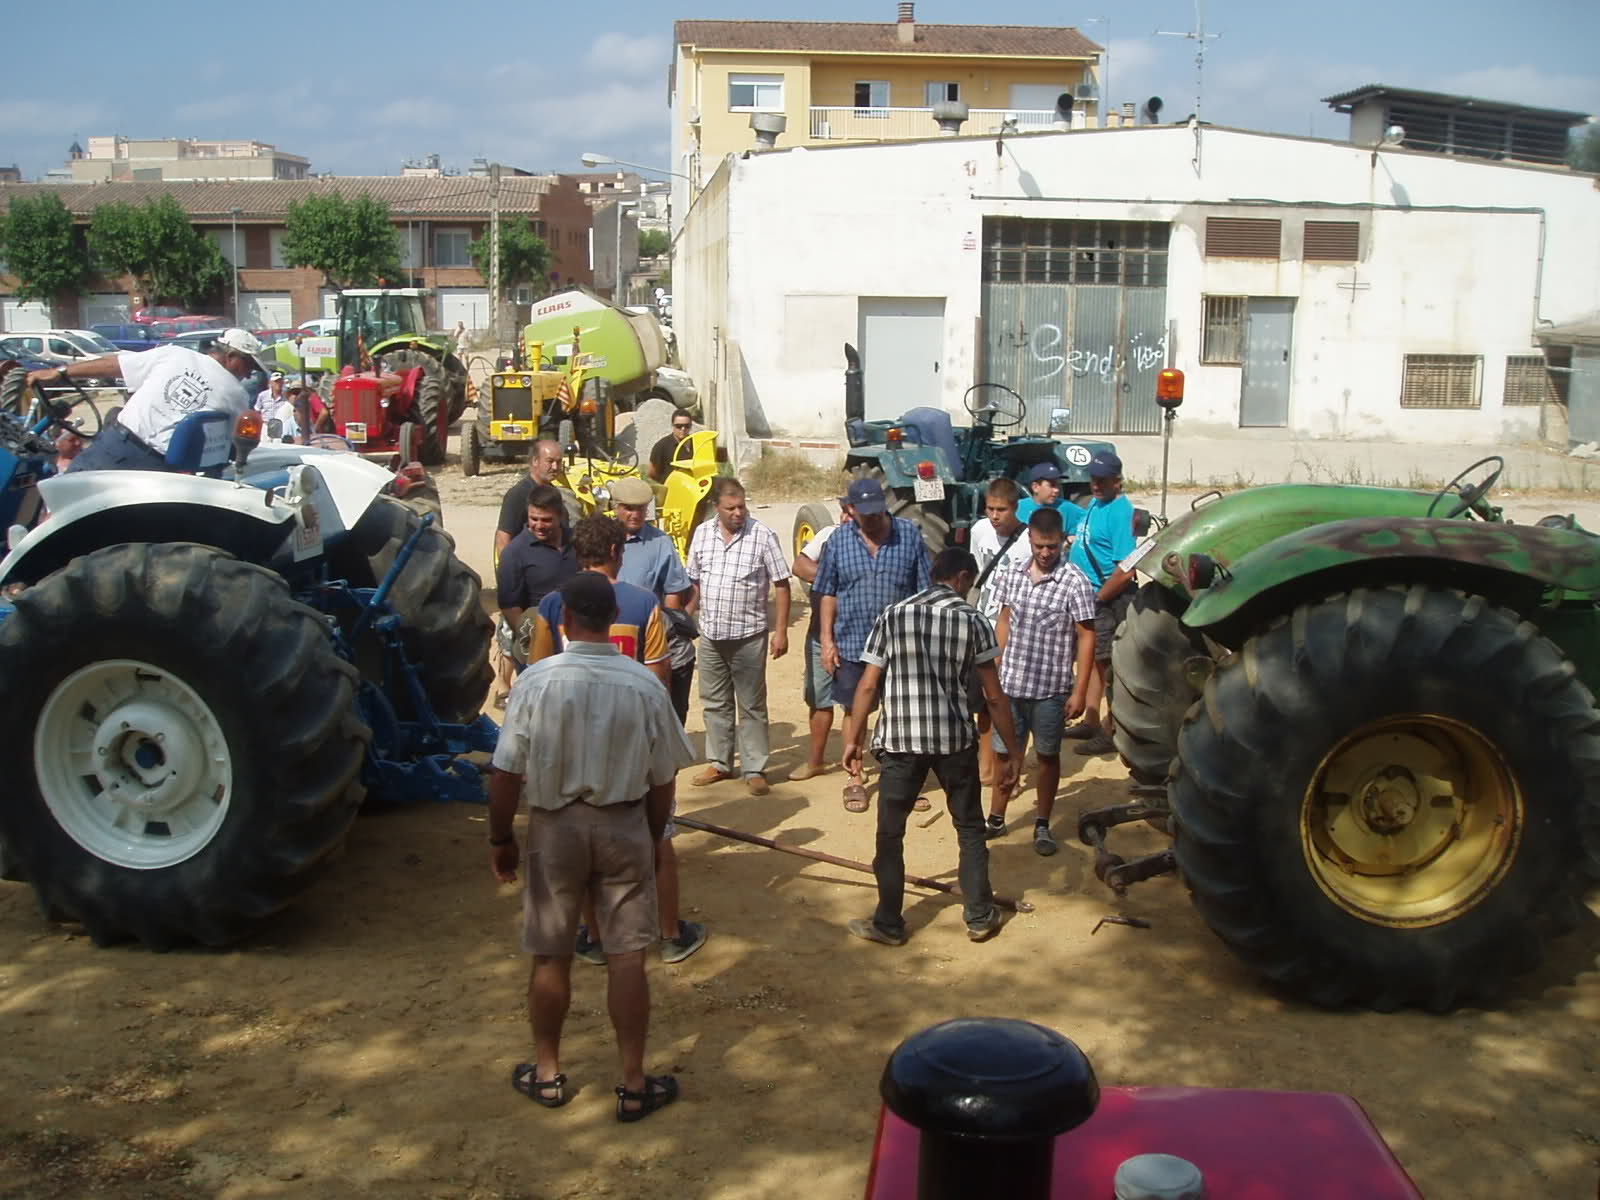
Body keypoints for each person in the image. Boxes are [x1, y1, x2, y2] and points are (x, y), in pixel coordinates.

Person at [487, 572, 694, 1121]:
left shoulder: (537, 681)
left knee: (551, 953)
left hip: (555, 828)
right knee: (627, 956)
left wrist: (501, 836)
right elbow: (663, 777)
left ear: (563, 620)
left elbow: (506, 772)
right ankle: (631, 1082)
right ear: (611, 621)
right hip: (624, 821)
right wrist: (651, 835)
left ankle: (549, 1073)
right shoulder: (645, 685)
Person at [525, 515, 708, 967]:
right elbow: (659, 677)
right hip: (631, 740)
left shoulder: (552, 605)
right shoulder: (642, 602)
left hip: (570, 743)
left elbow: (536, 670)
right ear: (613, 554)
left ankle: (595, 933)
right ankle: (668, 934)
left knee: (582, 835)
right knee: (659, 838)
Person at [840, 548, 1022, 947]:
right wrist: (1013, 749)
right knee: (969, 829)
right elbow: (993, 697)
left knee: (890, 834)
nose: (969, 591)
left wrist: (854, 737)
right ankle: (978, 916)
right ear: (960, 577)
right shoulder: (973, 620)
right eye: (969, 584)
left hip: (900, 741)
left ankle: (889, 923)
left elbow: (869, 685)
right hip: (954, 740)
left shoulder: (893, 614)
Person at [812, 476, 931, 814]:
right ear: (850, 509)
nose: (874, 520)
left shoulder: (909, 535)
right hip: (852, 641)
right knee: (855, 710)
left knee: (901, 713)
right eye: (865, 514)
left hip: (900, 644)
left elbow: (923, 591)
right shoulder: (837, 541)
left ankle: (904, 780)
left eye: (878, 513)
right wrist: (826, 639)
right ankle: (855, 777)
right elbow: (828, 592)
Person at [984, 507, 1097, 855]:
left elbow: (1086, 636)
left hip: (1050, 690)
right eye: (1039, 546)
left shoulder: (1074, 581)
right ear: (1029, 540)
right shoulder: (1011, 574)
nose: (1045, 554)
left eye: (1052, 547)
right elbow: (1005, 620)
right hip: (1011, 686)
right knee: (1004, 756)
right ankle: (996, 819)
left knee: (1047, 757)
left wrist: (1080, 690)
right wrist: (997, 664)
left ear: (1062, 542)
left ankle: (1042, 824)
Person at [28, 328, 267, 474]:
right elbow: (234, 445)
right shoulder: (238, 395)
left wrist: (61, 373)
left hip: (118, 448)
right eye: (248, 366)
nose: (247, 374)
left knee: (63, 502)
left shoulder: (174, 355)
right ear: (232, 356)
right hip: (165, 472)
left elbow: (115, 365)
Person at [684, 477, 791, 796]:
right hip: (711, 637)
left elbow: (782, 584)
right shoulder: (702, 535)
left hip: (748, 637)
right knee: (715, 703)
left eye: (742, 506)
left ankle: (755, 767)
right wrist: (684, 620)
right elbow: (694, 584)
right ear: (716, 507)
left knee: (752, 705)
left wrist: (781, 631)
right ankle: (719, 763)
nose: (738, 513)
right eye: (730, 507)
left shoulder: (762, 536)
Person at [1063, 451, 1139, 757]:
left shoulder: (1120, 512)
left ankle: (1110, 729)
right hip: (1089, 598)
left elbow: (1127, 568)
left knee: (1108, 667)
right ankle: (1092, 719)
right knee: (1092, 661)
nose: (1095, 484)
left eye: (1102, 480)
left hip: (1103, 600)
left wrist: (1098, 597)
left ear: (1117, 481)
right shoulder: (1096, 504)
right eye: (1093, 478)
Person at [611, 476, 696, 724]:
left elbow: (673, 594)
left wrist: (662, 639)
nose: (635, 514)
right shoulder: (602, 539)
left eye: (640, 508)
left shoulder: (660, 543)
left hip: (648, 642)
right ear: (616, 507)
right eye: (628, 508)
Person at [967, 477, 1033, 785]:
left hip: (1018, 632)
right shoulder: (979, 531)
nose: (995, 516)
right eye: (990, 509)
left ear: (1015, 508)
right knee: (984, 701)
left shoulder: (1029, 540)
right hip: (984, 625)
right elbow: (976, 573)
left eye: (1002, 510)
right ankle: (985, 766)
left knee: (1011, 704)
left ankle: (1012, 765)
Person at [789, 504, 849, 781]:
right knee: (819, 697)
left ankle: (854, 766)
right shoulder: (827, 535)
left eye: (852, 513)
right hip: (819, 633)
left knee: (855, 702)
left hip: (855, 635)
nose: (846, 518)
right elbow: (799, 564)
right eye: (844, 512)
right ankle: (816, 761)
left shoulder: (874, 543)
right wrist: (829, 579)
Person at [496, 484, 578, 658]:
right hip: (539, 644)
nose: (539, 525)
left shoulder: (578, 542)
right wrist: (532, 641)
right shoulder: (514, 553)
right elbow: (510, 606)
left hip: (577, 640)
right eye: (533, 519)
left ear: (561, 516)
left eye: (546, 520)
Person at [495, 440, 569, 560]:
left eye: (559, 462)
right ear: (535, 461)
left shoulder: (553, 492)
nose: (555, 467)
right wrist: (508, 572)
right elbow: (503, 537)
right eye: (550, 461)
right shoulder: (518, 494)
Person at [648, 407, 694, 482]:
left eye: (687, 426)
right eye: (679, 426)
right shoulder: (662, 446)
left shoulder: (696, 443)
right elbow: (652, 473)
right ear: (672, 425)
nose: (683, 429)